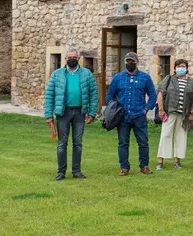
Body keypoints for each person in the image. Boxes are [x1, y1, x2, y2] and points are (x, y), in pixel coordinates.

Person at [43, 48, 98, 181]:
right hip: (63, 113)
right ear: (65, 59)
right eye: (69, 57)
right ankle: (61, 172)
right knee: (62, 143)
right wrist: (48, 115)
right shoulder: (57, 74)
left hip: (79, 112)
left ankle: (76, 171)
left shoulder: (87, 74)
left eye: (74, 57)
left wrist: (92, 112)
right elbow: (49, 95)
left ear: (78, 58)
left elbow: (93, 94)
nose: (72, 59)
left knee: (77, 143)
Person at [107, 52, 157, 177]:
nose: (130, 63)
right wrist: (114, 109)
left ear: (137, 62)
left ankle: (144, 166)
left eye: (132, 61)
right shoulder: (118, 78)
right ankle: (124, 167)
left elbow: (152, 95)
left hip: (139, 115)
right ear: (125, 62)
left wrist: (147, 108)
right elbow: (110, 95)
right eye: (128, 61)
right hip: (123, 116)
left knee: (143, 142)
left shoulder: (145, 77)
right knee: (123, 143)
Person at [156, 58, 193, 170]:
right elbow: (160, 94)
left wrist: (192, 112)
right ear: (174, 68)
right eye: (178, 66)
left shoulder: (192, 82)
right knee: (165, 135)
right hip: (170, 112)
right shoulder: (168, 79)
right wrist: (161, 110)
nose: (180, 68)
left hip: (184, 114)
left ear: (186, 68)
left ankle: (177, 161)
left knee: (181, 137)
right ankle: (160, 161)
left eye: (183, 66)